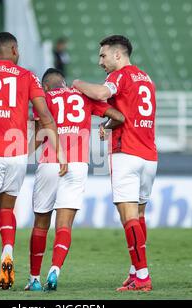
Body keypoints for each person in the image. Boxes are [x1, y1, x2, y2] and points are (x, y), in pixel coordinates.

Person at [0, 32, 67, 293]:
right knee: (6, 209)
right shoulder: (27, 77)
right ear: (13, 49)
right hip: (16, 154)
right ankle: (8, 251)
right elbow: (45, 117)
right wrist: (61, 153)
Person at [25, 68, 125, 291]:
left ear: (46, 87)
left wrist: (24, 153)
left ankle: (34, 279)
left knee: (41, 223)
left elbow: (41, 132)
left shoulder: (45, 99)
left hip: (51, 163)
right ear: (64, 82)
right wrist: (104, 127)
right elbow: (119, 117)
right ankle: (55, 270)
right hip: (78, 165)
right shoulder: (83, 97)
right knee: (64, 225)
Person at [72, 35, 158, 292]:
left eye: (103, 56)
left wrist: (76, 83)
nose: (100, 62)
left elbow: (99, 93)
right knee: (139, 215)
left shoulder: (120, 76)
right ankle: (135, 270)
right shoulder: (146, 78)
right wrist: (108, 124)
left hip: (126, 152)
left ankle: (142, 276)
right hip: (149, 155)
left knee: (128, 217)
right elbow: (129, 114)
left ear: (118, 55)